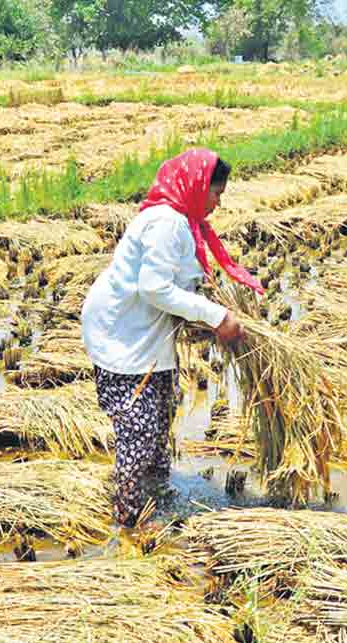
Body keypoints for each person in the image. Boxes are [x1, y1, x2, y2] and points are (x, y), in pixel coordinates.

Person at [81, 148, 263, 527]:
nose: (217, 203)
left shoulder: (184, 222)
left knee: (159, 412)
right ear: (197, 187)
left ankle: (156, 493)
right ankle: (129, 516)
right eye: (216, 194)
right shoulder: (166, 222)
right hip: (123, 334)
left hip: (145, 333)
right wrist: (216, 317)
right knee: (139, 427)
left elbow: (180, 286)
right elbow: (155, 289)